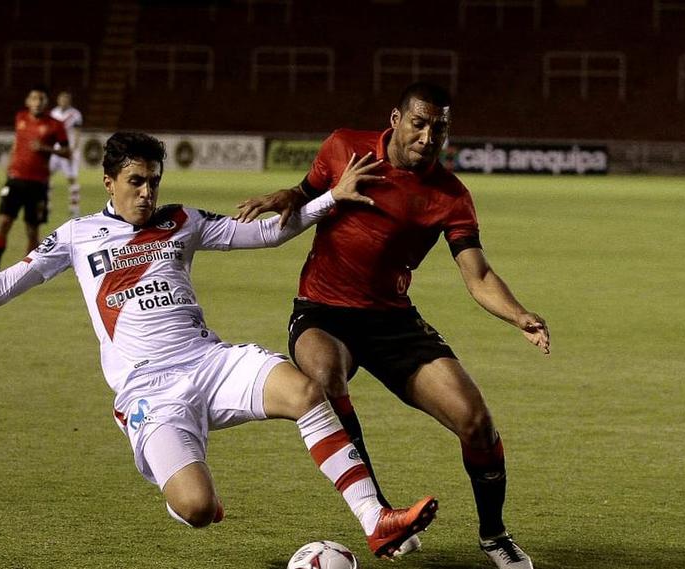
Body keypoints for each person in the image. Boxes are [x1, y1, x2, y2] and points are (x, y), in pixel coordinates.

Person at [0, 132, 438, 559]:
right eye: (136, 182)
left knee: (308, 390)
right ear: (110, 183)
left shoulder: (182, 221)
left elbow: (268, 233)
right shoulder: (76, 237)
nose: (147, 193)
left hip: (208, 361)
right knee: (196, 509)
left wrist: (329, 200)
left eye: (154, 182)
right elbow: (7, 282)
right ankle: (176, 474)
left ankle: (374, 519)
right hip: (149, 388)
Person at [234, 82, 550, 569]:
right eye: (419, 123)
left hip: (392, 320)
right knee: (323, 381)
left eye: (439, 128)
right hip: (322, 311)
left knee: (476, 423)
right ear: (396, 119)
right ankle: (378, 516)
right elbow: (308, 192)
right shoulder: (344, 146)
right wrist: (289, 195)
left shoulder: (450, 196)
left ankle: (494, 535)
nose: (427, 136)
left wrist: (519, 314)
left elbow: (479, 274)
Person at [0, 85, 71, 278]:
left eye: (41, 99)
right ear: (28, 101)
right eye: (34, 98)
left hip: (37, 183)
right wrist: (9, 166)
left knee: (32, 231)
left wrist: (46, 148)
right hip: (15, 180)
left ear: (46, 103)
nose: (37, 102)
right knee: (3, 223)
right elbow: (17, 143)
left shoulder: (55, 124)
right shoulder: (20, 118)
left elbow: (67, 152)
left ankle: (26, 274)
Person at [49, 90, 84, 217]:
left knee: (71, 178)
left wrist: (73, 149)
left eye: (66, 99)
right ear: (58, 100)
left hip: (68, 150)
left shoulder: (75, 114)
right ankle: (46, 205)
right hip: (55, 149)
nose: (63, 101)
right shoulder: (53, 113)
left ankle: (74, 207)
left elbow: (77, 133)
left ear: (69, 101)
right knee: (47, 175)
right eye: (61, 99)